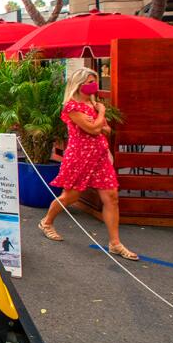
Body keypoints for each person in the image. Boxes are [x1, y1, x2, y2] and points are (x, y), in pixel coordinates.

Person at [38, 67, 138, 260]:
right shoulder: (72, 106)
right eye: (89, 82)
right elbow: (93, 129)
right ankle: (47, 221)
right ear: (79, 84)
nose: (94, 86)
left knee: (111, 197)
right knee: (71, 196)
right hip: (80, 156)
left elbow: (106, 130)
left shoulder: (93, 105)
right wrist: (101, 114)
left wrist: (98, 120)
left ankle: (115, 243)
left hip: (100, 156)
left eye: (95, 81)